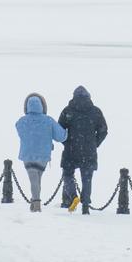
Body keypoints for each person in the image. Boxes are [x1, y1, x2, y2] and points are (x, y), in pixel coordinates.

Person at [56, 85, 107, 213]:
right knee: (87, 178)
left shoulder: (68, 111)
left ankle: (73, 196)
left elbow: (59, 130)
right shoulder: (96, 111)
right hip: (89, 151)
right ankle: (85, 206)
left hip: (71, 149)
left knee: (67, 175)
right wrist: (95, 143)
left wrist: (67, 142)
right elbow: (103, 130)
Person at [14, 92, 66, 213]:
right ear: (42, 105)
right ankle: (36, 202)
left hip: (27, 155)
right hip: (43, 156)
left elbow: (20, 132)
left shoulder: (21, 121)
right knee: (37, 179)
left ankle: (35, 202)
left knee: (33, 179)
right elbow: (61, 137)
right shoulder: (48, 121)